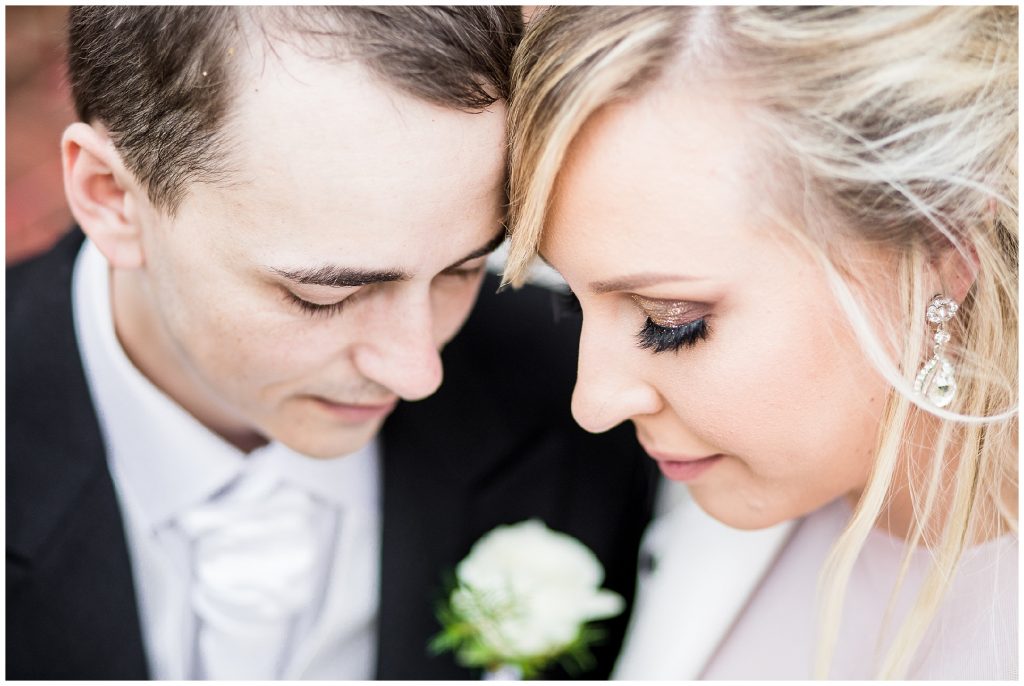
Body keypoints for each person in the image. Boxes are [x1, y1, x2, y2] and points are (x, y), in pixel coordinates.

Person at [7, 7, 657, 680]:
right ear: (111, 195)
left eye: (463, 270)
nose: (416, 372)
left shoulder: (577, 403)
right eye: (327, 295)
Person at [504, 6, 1017, 680]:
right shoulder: (707, 490)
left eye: (670, 321)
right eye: (573, 300)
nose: (593, 405)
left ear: (943, 251)